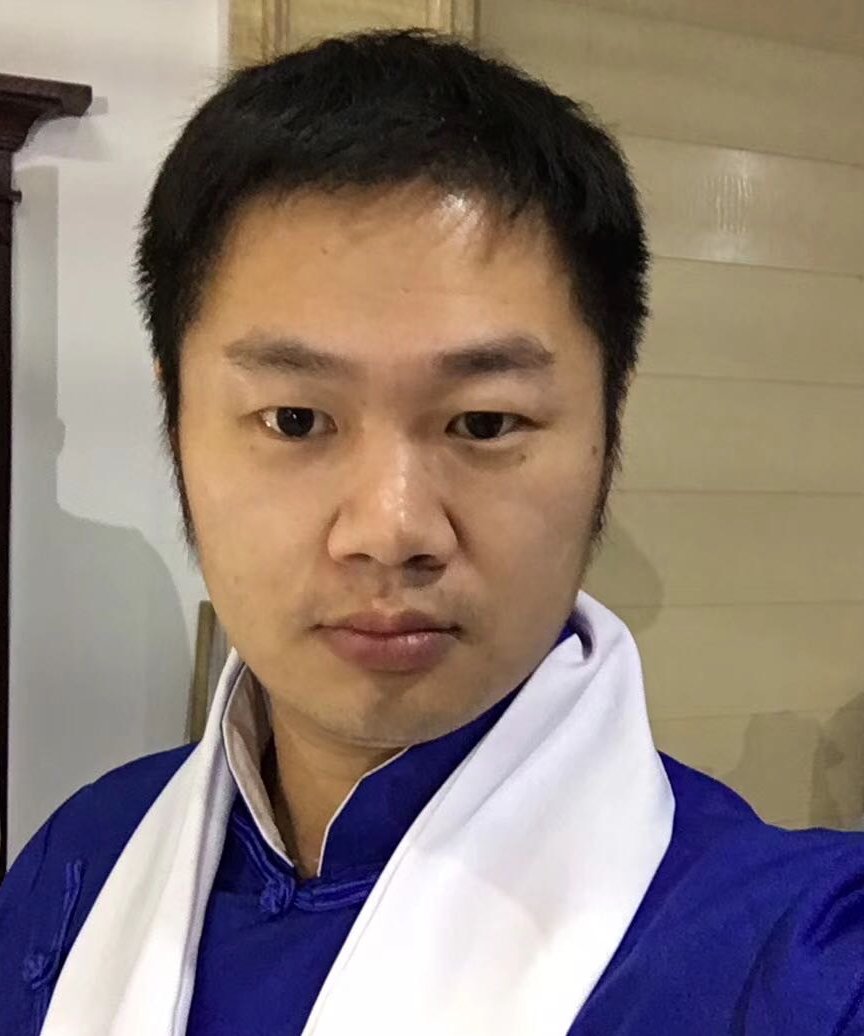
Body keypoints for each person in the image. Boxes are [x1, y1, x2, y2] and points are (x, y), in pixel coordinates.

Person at [1, 28, 862, 1036]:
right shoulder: (80, 862)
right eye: (295, 420)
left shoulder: (789, 955)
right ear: (177, 418)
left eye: (484, 423)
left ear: (609, 421)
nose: (391, 529)